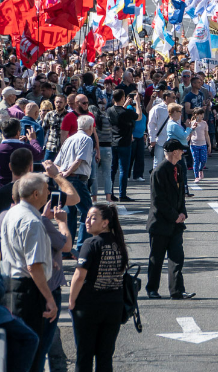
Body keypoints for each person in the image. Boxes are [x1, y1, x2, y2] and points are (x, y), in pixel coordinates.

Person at [0, 173, 59, 372]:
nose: (49, 193)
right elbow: (33, 266)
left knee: (16, 354)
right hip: (29, 291)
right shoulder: (32, 221)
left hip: (11, 286)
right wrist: (49, 298)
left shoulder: (12, 213)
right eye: (46, 189)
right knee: (32, 353)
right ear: (36, 194)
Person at [69, 202, 128, 371]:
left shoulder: (91, 244)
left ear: (105, 222)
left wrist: (72, 301)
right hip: (114, 305)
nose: (87, 221)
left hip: (89, 306)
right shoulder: (119, 243)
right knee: (105, 356)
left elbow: (79, 276)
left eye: (93, 218)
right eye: (87, 217)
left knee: (84, 355)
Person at [146, 139, 195, 300]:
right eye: (181, 150)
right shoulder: (159, 171)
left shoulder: (178, 168)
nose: (182, 153)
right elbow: (158, 200)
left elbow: (181, 195)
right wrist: (175, 216)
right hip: (160, 223)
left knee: (177, 258)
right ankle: (152, 288)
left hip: (176, 224)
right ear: (174, 152)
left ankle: (177, 290)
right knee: (156, 258)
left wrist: (182, 213)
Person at [54, 115, 97, 252]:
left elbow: (57, 162)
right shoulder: (86, 139)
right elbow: (79, 160)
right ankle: (81, 247)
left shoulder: (68, 140)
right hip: (77, 179)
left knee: (69, 213)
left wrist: (62, 174)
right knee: (88, 212)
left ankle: (67, 248)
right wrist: (68, 172)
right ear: (90, 127)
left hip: (66, 180)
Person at [105, 89, 141, 202]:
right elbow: (138, 116)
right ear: (122, 98)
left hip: (112, 142)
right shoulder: (126, 112)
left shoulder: (109, 110)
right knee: (123, 170)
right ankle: (122, 194)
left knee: (112, 169)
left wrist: (124, 105)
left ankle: (110, 193)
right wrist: (138, 102)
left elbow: (119, 112)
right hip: (124, 143)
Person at [0, 118, 43, 186]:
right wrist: (33, 140)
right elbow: (39, 154)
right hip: (21, 188)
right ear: (18, 132)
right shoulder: (25, 147)